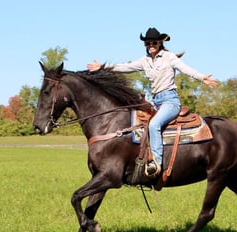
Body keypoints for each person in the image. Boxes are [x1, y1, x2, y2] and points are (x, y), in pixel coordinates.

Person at [87, 27, 220, 177]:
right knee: (137, 125)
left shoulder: (169, 57)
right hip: (155, 101)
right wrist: (103, 67)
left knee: (154, 124)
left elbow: (185, 69)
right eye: (148, 42)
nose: (151, 45)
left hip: (170, 101)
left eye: (154, 42)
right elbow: (126, 67)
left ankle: (156, 162)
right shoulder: (144, 61)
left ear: (160, 43)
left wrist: (202, 77)